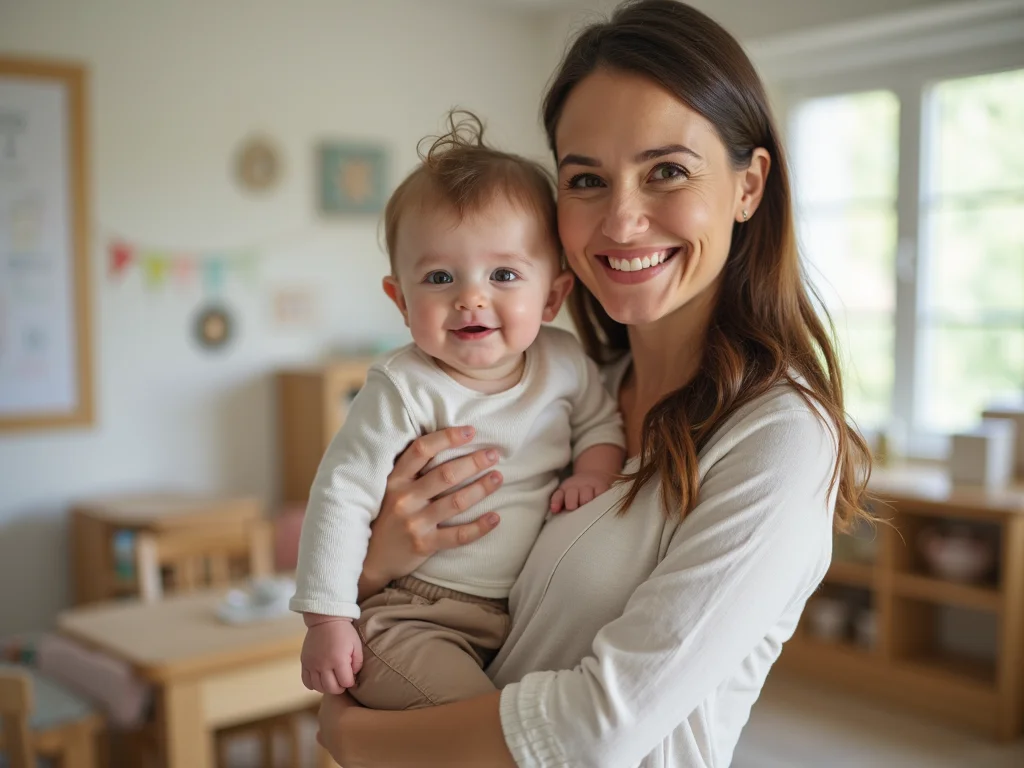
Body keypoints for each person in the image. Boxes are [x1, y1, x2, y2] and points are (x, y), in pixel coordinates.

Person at [317, 0, 873, 765]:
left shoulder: (779, 438)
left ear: (749, 187)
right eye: (586, 179)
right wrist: (378, 564)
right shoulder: (574, 393)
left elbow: (600, 726)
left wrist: (363, 741)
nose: (620, 220)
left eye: (667, 171)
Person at [290, 113, 626, 711]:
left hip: (516, 618)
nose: (471, 296)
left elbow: (602, 425)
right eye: (440, 276)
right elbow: (342, 495)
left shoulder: (565, 362)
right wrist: (326, 619)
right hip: (412, 615)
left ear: (551, 295)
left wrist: (593, 472)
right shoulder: (404, 386)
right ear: (400, 299)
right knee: (479, 728)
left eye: (503, 274)